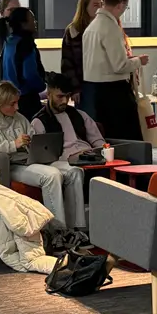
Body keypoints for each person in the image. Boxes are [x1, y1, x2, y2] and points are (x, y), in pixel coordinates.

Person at [31, 74, 106, 231]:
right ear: (49, 93)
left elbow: (98, 141)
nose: (64, 101)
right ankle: (78, 228)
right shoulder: (39, 121)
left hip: (89, 157)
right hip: (61, 161)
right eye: (60, 97)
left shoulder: (79, 115)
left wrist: (101, 151)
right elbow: (42, 154)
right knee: (75, 172)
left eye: (67, 96)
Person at [82, 0, 147, 140]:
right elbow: (119, 66)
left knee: (105, 138)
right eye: (126, 6)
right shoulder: (111, 27)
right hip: (114, 91)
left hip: (94, 90)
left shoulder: (92, 26)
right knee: (125, 139)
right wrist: (139, 61)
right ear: (120, 5)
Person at [0, 7, 46, 120]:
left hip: (9, 96)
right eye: (32, 19)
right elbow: (29, 74)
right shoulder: (26, 44)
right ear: (23, 24)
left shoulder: (9, 41)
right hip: (26, 99)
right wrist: (42, 86)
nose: (35, 23)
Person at [60, 0, 103, 102]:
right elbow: (67, 62)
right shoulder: (73, 31)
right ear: (85, 7)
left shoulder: (104, 28)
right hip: (83, 84)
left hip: (103, 83)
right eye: (95, 5)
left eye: (101, 4)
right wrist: (74, 88)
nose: (100, 8)